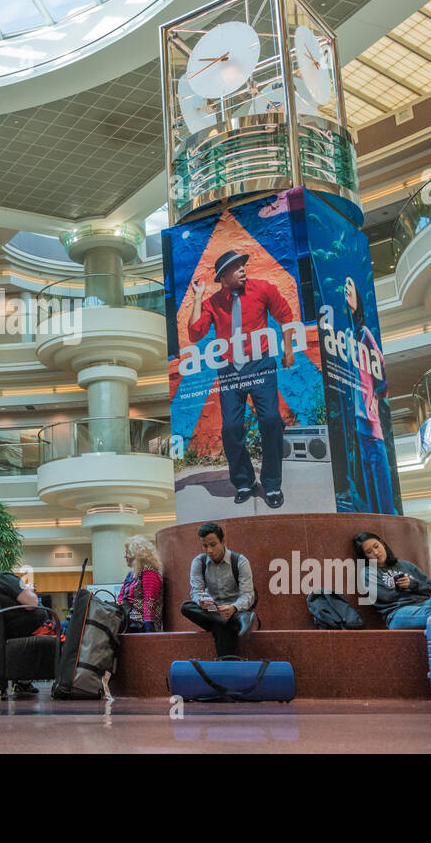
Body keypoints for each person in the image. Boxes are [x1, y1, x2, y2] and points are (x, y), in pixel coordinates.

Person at [187, 249, 297, 508]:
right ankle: (244, 481)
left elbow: (285, 315)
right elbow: (194, 333)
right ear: (223, 276)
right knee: (231, 428)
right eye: (235, 267)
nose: (242, 269)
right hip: (229, 370)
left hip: (260, 364)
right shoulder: (214, 303)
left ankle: (271, 484)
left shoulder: (263, 289)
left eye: (242, 265)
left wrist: (288, 349)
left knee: (270, 420)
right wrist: (199, 298)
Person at [0, 534, 48, 696]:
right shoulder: (5, 578)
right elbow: (32, 604)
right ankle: (24, 680)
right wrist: (28, 591)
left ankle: (14, 681)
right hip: (8, 629)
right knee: (41, 611)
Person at [353, 532, 431, 629]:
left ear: (382, 544)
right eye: (369, 552)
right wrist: (406, 588)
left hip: (426, 603)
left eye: (376, 546)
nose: (376, 552)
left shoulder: (406, 565)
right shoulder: (368, 572)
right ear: (365, 556)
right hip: (399, 612)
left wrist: (413, 584)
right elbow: (386, 597)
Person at [343, 279, 393, 514]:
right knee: (368, 482)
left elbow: (381, 366)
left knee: (381, 484)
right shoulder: (349, 337)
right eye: (344, 289)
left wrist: (376, 398)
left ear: (358, 299)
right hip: (359, 425)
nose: (346, 292)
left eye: (350, 289)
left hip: (371, 424)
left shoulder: (364, 335)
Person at [180, 522, 255, 656]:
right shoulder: (199, 562)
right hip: (212, 610)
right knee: (186, 606)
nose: (209, 550)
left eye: (213, 545)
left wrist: (233, 608)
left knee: (220, 626)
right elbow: (196, 591)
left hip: (234, 611)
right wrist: (200, 601)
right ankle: (239, 619)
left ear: (223, 541)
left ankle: (231, 619)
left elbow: (248, 595)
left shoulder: (240, 561)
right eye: (205, 546)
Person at [117, 535, 164, 632]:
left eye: (127, 553)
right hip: (127, 618)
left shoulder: (149, 571)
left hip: (141, 623)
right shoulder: (131, 574)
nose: (125, 556)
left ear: (136, 555)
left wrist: (149, 627)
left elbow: (150, 600)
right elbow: (121, 597)